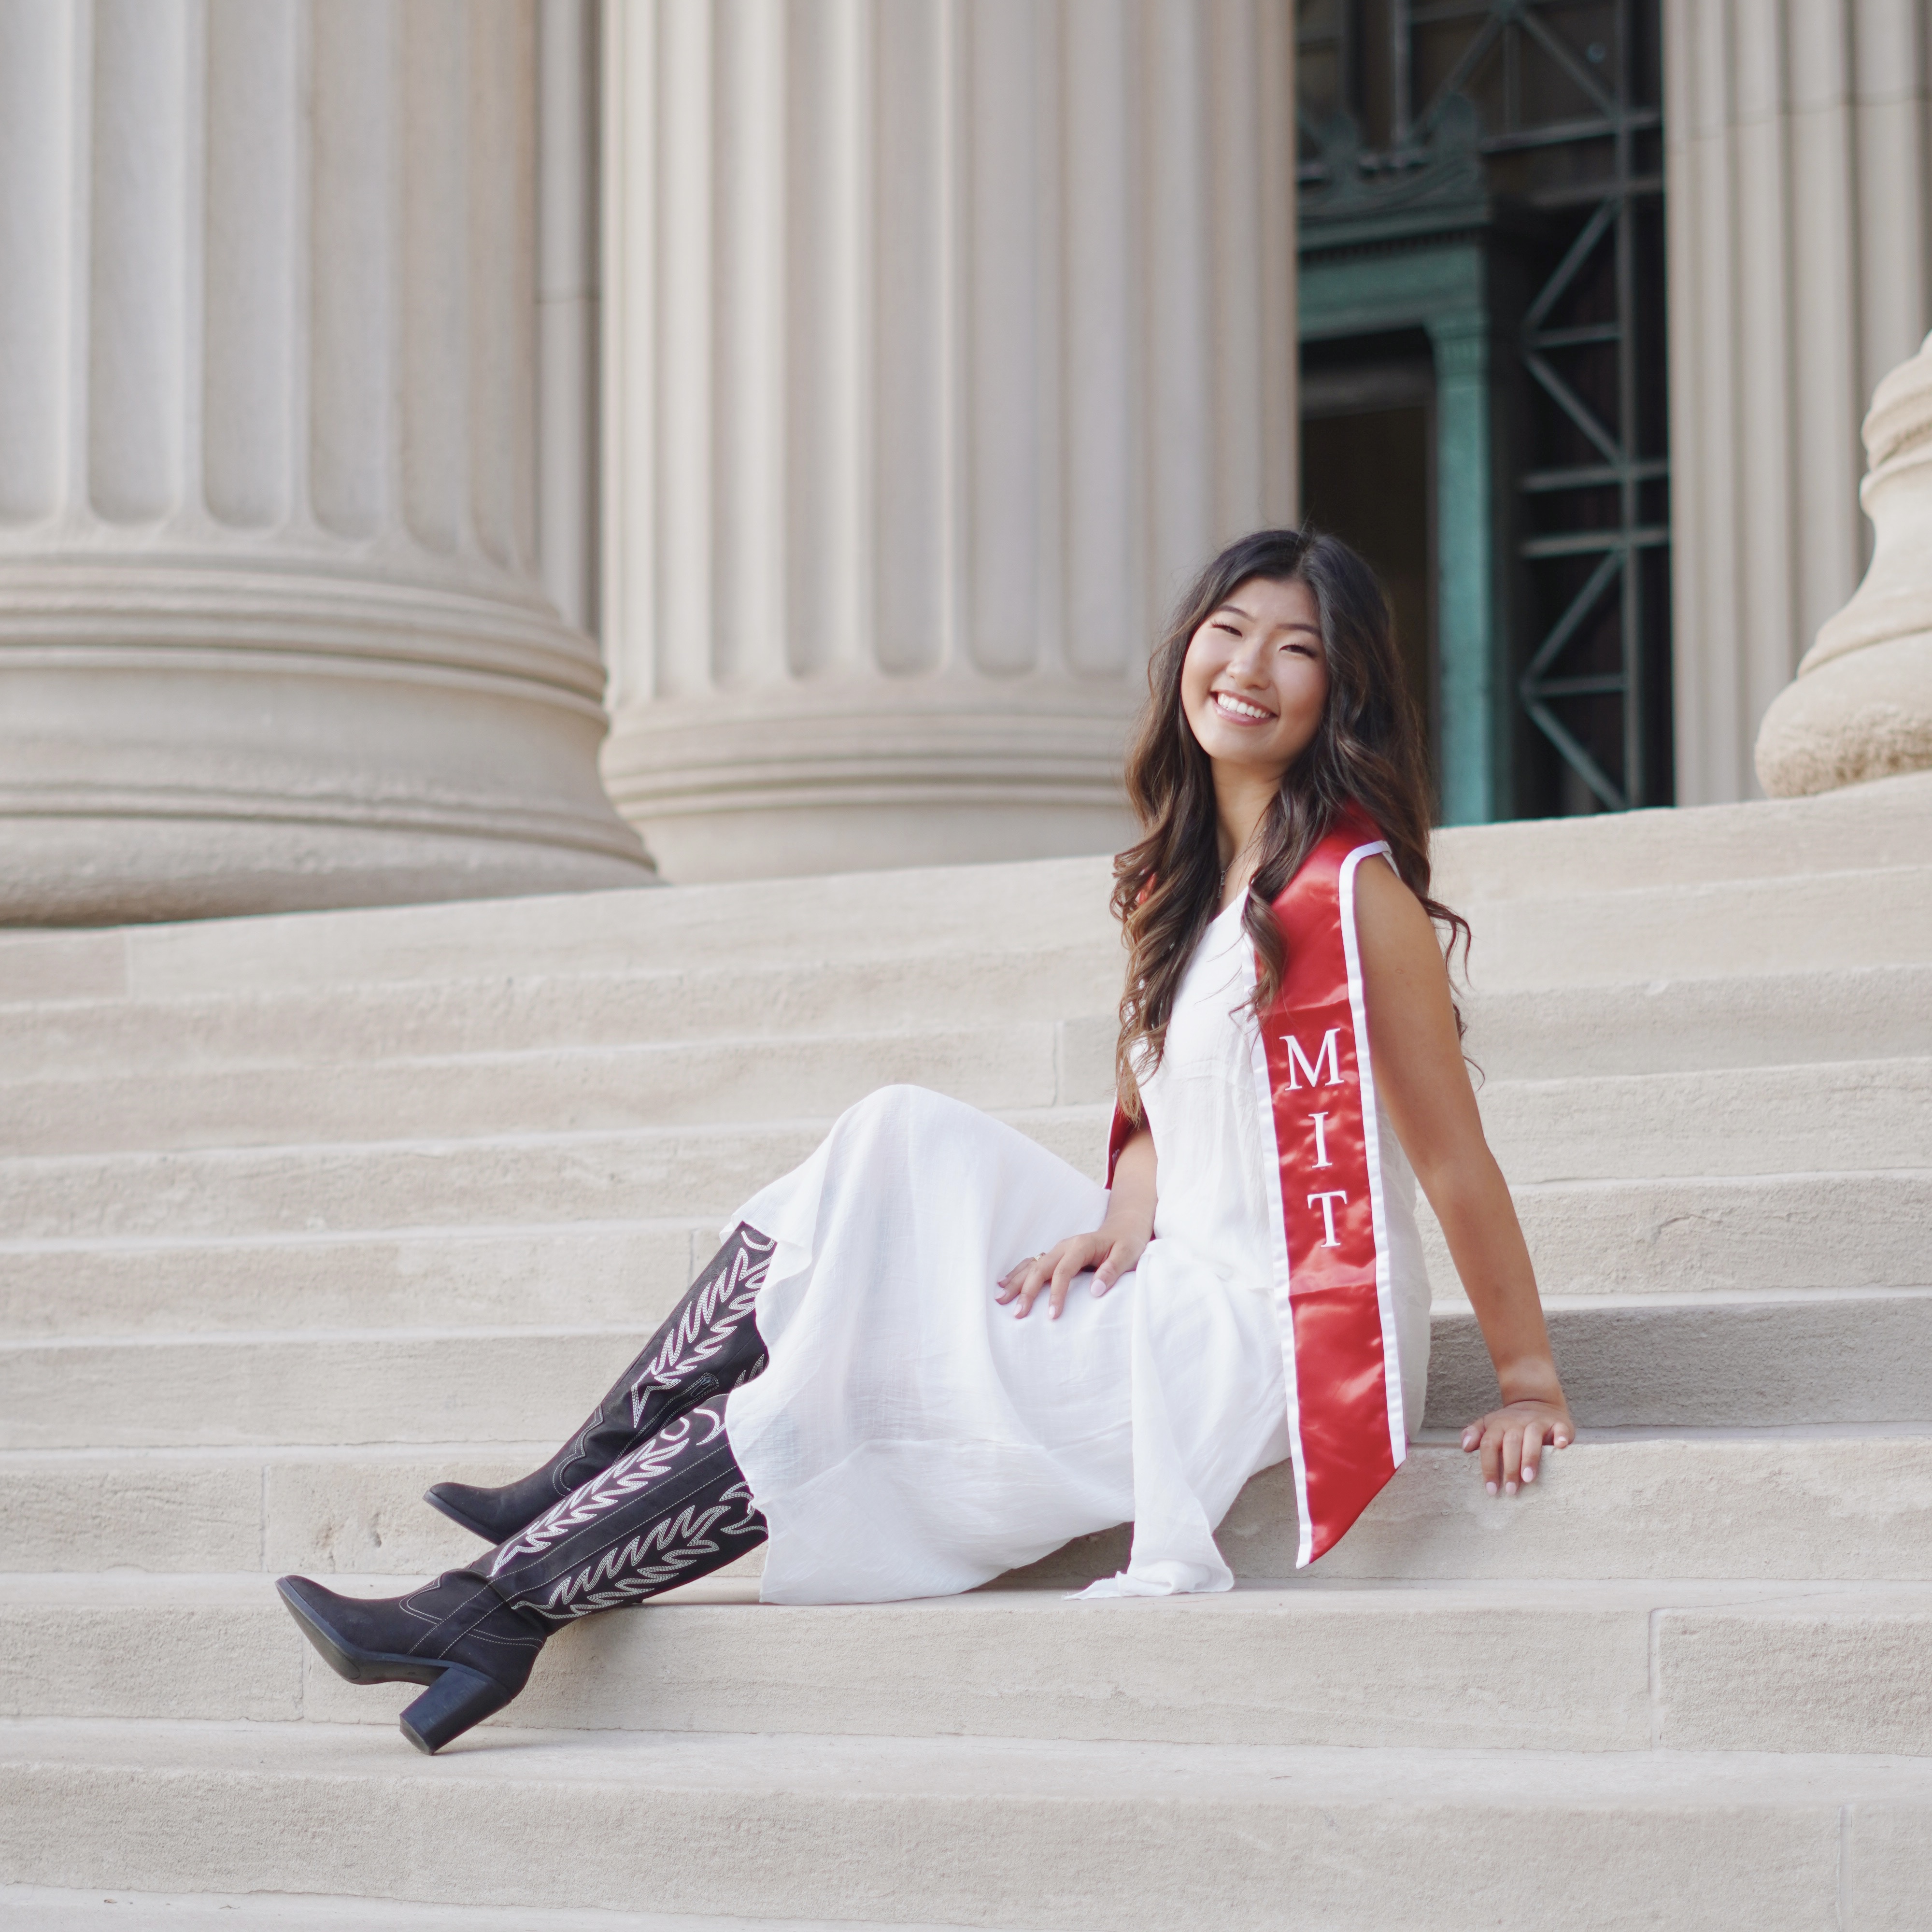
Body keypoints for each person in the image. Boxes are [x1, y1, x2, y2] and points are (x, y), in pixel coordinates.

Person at [277, 528, 1575, 1754]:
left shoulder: (1356, 900)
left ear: (1342, 690)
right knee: (892, 1136)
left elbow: (1452, 1158)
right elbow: (1168, 1108)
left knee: (843, 1381)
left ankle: (493, 1607)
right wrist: (1132, 1206)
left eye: (1294, 647)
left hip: (1274, 1316)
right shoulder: (1180, 885)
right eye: (1228, 629)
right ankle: (575, 1479)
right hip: (1182, 1251)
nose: (1247, 667)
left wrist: (1526, 1382)